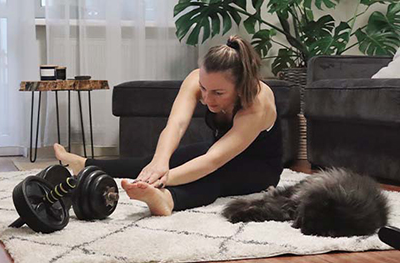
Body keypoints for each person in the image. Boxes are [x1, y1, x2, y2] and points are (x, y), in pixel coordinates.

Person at [54, 35, 283, 216]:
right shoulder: (198, 78)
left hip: (258, 167)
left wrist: (163, 180)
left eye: (218, 93)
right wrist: (159, 163)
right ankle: (82, 164)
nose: (208, 98)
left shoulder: (257, 103)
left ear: (240, 86)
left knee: (213, 176)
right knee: (154, 162)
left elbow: (213, 160)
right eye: (204, 89)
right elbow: (176, 124)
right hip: (220, 149)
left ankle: (167, 200)